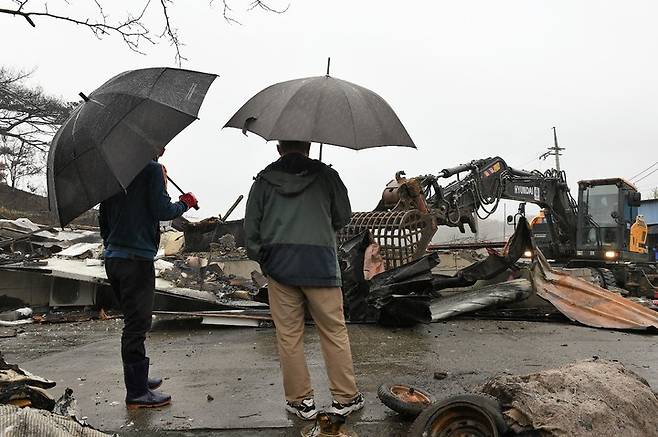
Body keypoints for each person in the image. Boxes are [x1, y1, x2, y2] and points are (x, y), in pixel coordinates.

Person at [244, 140, 364, 420]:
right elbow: (342, 217)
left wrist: (267, 260)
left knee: (289, 336)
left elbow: (251, 230)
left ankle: (301, 402)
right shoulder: (327, 176)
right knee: (334, 331)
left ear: (278, 148)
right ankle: (345, 398)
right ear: (309, 146)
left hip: (280, 267)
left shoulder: (263, 181)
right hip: (320, 264)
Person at [99, 158, 198, 409]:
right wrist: (185, 203)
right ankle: (136, 392)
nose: (163, 147)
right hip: (136, 259)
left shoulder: (115, 171)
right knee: (137, 324)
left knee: (133, 321)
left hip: (115, 258)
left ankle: (139, 380)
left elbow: (104, 219)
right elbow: (163, 211)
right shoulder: (151, 169)